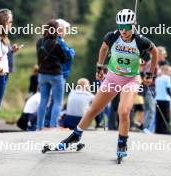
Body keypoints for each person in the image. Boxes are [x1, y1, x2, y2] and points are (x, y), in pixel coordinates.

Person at [56, 9, 158, 159]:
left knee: (123, 111)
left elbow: (155, 52)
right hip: (113, 77)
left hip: (131, 79)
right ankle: (76, 135)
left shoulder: (141, 41)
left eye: (127, 27)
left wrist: (150, 73)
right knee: (93, 109)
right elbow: (103, 48)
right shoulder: (112, 37)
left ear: (133, 26)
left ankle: (122, 142)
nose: (123, 30)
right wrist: (99, 67)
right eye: (120, 26)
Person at [0, 9, 20, 133]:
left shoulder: (4, 37)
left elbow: (3, 54)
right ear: (3, 22)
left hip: (5, 73)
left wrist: (11, 50)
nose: (11, 24)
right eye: (10, 21)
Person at [36, 19, 68, 130]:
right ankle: (53, 126)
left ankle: (39, 126)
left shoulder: (39, 42)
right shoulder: (56, 44)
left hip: (42, 74)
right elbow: (63, 59)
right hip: (55, 75)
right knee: (57, 101)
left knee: (43, 100)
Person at [154, 65, 171, 134]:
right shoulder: (167, 78)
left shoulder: (157, 79)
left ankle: (157, 130)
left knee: (158, 116)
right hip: (165, 99)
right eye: (170, 71)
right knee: (166, 116)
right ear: (166, 71)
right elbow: (168, 89)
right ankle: (165, 131)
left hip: (158, 99)